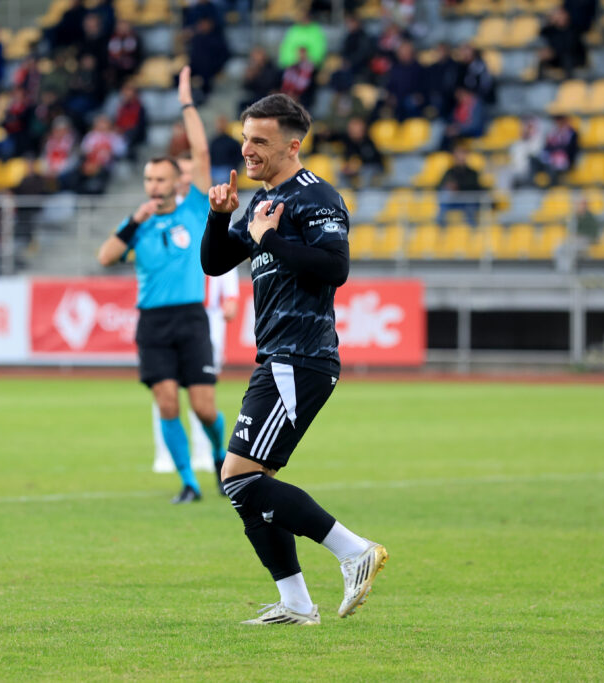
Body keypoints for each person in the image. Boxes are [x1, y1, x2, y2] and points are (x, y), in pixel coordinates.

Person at [201, 93, 387, 625]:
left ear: (292, 145)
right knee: (248, 485)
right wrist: (219, 218)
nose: (247, 149)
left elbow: (335, 267)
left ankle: (354, 550)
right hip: (278, 356)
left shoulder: (315, 196)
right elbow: (215, 264)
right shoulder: (263, 201)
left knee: (238, 477)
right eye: (245, 138)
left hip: (301, 355)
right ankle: (297, 604)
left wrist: (271, 240)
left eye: (260, 141)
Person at [97, 67, 227, 504]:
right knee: (168, 404)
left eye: (159, 180)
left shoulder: (194, 209)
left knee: (204, 408)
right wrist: (133, 221)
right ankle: (189, 482)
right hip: (153, 322)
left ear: (176, 183)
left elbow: (201, 151)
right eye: (148, 180)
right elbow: (105, 257)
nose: (153, 186)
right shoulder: (138, 223)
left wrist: (187, 102)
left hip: (191, 318)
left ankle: (221, 457)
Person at [153, 156, 240, 475]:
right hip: (172, 311)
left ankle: (204, 453)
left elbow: (226, 256)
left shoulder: (212, 209)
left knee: (202, 387)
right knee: (165, 387)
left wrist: (231, 296)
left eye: (193, 172)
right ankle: (166, 455)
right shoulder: (163, 214)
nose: (188, 178)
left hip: (209, 315)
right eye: (184, 173)